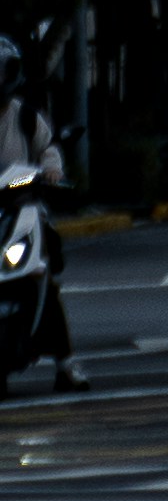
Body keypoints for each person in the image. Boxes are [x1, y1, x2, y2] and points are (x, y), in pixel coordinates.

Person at [0, 34, 86, 393]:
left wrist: (51, 171)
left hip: (22, 207)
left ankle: (67, 365)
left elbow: (48, 148)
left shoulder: (26, 117)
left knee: (42, 280)